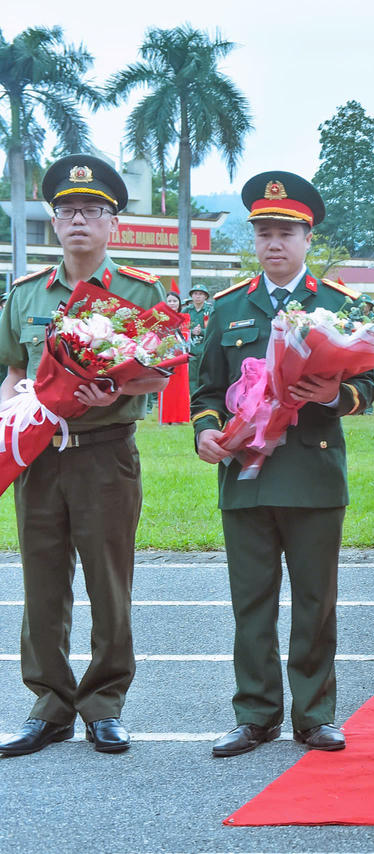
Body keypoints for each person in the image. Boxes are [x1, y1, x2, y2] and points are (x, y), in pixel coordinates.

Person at [192, 171, 374, 757]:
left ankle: (315, 714)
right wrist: (206, 431)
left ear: (307, 238)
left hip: (312, 472)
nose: (274, 243)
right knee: (251, 601)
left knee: (316, 601)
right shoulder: (228, 307)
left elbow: (367, 389)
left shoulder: (337, 305)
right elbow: (206, 391)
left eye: (286, 232)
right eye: (264, 233)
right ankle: (255, 714)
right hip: (245, 475)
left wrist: (334, 395)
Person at [0, 154, 168, 756]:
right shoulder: (25, 295)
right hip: (40, 457)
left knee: (108, 582)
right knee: (42, 583)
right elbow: (13, 371)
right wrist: (11, 417)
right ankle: (49, 706)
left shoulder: (140, 291)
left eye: (92, 211)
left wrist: (116, 389)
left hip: (105, 454)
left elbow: (159, 373)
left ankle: (103, 706)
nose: (78, 220)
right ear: (53, 220)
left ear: (112, 223)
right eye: (67, 210)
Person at [158, 289, 191, 424]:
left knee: (181, 387)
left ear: (179, 303)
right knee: (166, 386)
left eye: (174, 301)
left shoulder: (185, 318)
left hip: (180, 356)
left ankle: (180, 417)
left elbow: (187, 335)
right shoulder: (161, 318)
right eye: (169, 301)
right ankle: (166, 418)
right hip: (166, 356)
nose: (172, 303)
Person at [184, 284, 214, 394]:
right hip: (190, 348)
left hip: (205, 348)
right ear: (191, 296)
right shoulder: (187, 310)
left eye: (201, 294)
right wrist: (191, 331)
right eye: (195, 294)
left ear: (205, 296)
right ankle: (192, 397)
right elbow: (180, 328)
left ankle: (203, 396)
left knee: (204, 374)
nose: (198, 296)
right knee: (191, 376)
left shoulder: (210, 310)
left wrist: (201, 331)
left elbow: (214, 329)